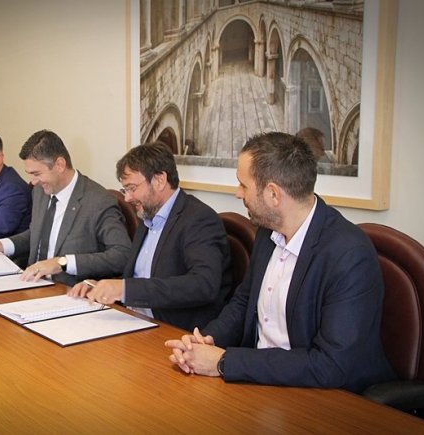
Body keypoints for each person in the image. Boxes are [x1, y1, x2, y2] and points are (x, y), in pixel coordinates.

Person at [164, 132, 396, 393]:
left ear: (273, 194)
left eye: (243, 185)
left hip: (323, 396)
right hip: (260, 381)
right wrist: (207, 341)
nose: (238, 193)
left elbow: (331, 365)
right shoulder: (268, 231)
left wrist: (224, 362)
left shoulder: (349, 254)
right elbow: (243, 302)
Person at [69, 143, 232, 331]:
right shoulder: (148, 216)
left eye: (132, 188)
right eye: (125, 190)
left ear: (159, 180)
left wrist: (125, 289)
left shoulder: (199, 219)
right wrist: (101, 287)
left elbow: (203, 285)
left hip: (171, 330)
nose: (128, 198)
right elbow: (140, 275)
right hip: (133, 321)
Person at [0, 129, 131, 286]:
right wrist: (2, 245)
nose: (33, 181)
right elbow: (37, 234)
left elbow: (122, 255)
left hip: (68, 290)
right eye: (29, 174)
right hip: (30, 283)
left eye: (37, 174)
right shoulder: (40, 191)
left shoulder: (99, 201)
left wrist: (62, 263)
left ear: (59, 165)